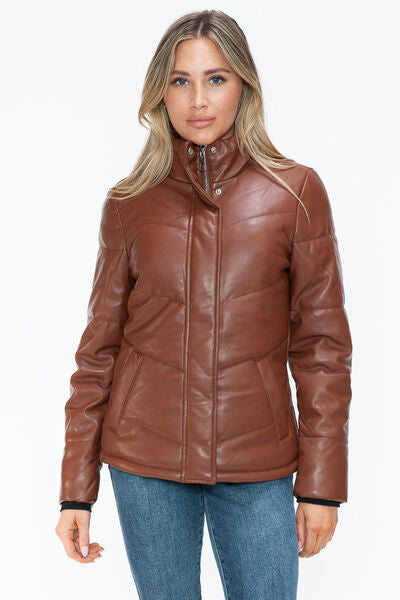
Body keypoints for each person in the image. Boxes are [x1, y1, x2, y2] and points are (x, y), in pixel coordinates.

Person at [55, 9, 352, 599]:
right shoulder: (129, 203)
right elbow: (99, 350)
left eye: (216, 79)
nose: (198, 99)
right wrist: (75, 492)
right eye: (180, 80)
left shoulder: (295, 192)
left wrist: (321, 485)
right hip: (145, 463)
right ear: (159, 92)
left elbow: (323, 349)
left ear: (244, 85)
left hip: (258, 463)